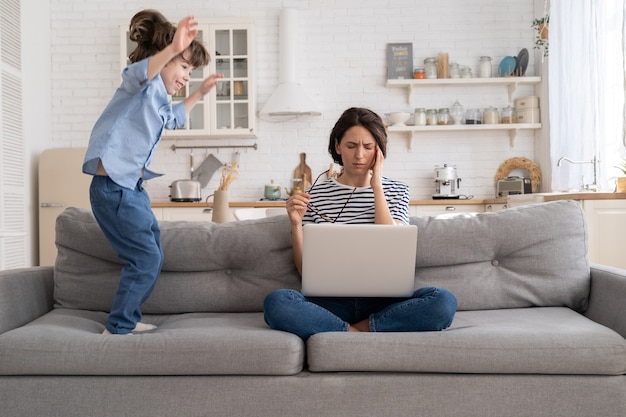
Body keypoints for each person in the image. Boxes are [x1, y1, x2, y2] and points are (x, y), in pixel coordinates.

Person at [82, 10, 223, 335]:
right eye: (184, 67)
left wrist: (200, 94)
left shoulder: (158, 100)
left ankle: (126, 318)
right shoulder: (137, 86)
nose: (188, 75)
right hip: (113, 188)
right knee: (145, 259)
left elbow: (173, 118)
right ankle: (118, 327)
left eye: (191, 70)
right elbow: (141, 73)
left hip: (131, 189)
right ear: (166, 57)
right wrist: (173, 47)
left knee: (152, 252)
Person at [263, 107, 457, 340]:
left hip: (383, 301)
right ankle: (362, 330)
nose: (359, 156)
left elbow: (390, 247)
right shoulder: (315, 194)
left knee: (443, 302)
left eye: (368, 147)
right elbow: (306, 272)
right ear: (337, 146)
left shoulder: (396, 191)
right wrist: (295, 225)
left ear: (379, 151)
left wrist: (377, 186)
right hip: (330, 301)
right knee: (277, 302)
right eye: (351, 146)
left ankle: (348, 330)